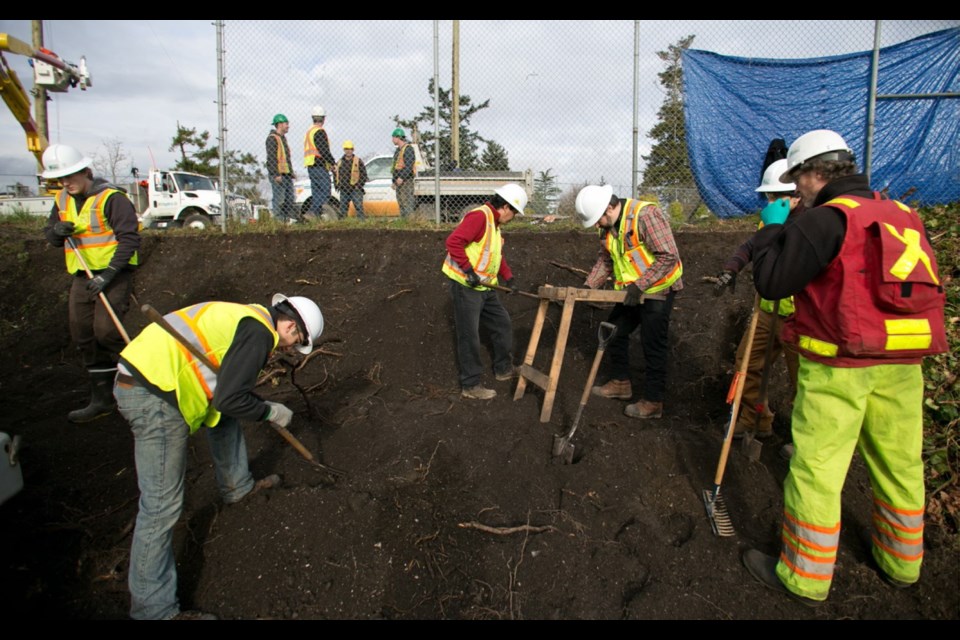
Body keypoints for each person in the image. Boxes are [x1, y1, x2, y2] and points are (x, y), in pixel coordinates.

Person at [742, 129, 947, 605]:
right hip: (902, 365)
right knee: (900, 463)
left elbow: (772, 283)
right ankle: (902, 563)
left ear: (814, 173)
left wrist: (773, 228)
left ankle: (804, 576)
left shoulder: (825, 221)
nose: (797, 192)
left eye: (797, 181)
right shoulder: (903, 216)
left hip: (841, 365)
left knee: (817, 469)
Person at [114, 293, 325, 620]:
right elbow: (230, 399)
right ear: (290, 325)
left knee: (223, 417)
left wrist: (244, 399)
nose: (289, 348)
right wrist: (269, 412)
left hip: (150, 378)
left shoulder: (248, 318)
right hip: (153, 393)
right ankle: (153, 610)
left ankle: (237, 486)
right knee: (160, 505)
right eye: (296, 340)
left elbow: (225, 395)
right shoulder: (258, 333)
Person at [41, 143, 141, 424]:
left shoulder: (112, 198)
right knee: (83, 334)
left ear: (85, 172)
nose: (65, 183)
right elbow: (50, 233)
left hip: (113, 273)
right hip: (81, 277)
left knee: (107, 332)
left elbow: (130, 238)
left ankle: (138, 383)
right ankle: (102, 399)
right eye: (61, 179)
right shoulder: (61, 200)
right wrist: (56, 233)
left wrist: (108, 274)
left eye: (70, 176)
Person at [713, 158, 805, 440]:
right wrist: (731, 269)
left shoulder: (811, 223)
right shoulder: (771, 220)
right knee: (747, 365)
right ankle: (756, 419)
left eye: (777, 196)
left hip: (800, 316)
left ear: (796, 195)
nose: (771, 201)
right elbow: (751, 246)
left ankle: (804, 440)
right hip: (766, 310)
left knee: (802, 380)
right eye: (769, 196)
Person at [575, 185, 684, 420]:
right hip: (633, 291)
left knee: (652, 342)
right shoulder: (608, 228)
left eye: (597, 219)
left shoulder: (646, 216)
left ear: (610, 208)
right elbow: (606, 259)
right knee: (614, 331)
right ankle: (620, 383)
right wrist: (588, 287)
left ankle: (654, 401)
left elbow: (668, 254)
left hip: (659, 289)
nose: (596, 225)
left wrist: (640, 285)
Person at [441, 184, 528, 400]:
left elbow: (496, 256)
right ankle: (470, 385)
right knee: (469, 334)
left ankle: (503, 369)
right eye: (515, 213)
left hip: (485, 287)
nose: (514, 217)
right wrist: (468, 271)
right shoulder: (480, 217)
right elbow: (453, 242)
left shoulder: (494, 224)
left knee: (502, 322)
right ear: (506, 207)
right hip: (466, 286)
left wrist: (509, 279)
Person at [302, 106, 336, 220]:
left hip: (311, 165)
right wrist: (333, 163)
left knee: (316, 192)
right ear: (323, 118)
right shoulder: (319, 131)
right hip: (319, 165)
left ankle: (315, 216)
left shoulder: (309, 131)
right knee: (326, 190)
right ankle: (313, 211)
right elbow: (323, 150)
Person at [266, 113, 296, 223]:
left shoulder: (283, 139)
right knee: (279, 199)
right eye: (286, 123)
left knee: (289, 199)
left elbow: (286, 157)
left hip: (286, 174)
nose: (288, 126)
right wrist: (275, 174)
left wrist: (291, 172)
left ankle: (286, 220)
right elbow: (271, 158)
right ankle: (279, 221)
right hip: (278, 175)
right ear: (279, 124)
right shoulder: (272, 139)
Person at [334, 140, 368, 221]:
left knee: (359, 207)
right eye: (346, 149)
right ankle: (343, 224)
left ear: (353, 150)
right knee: (343, 209)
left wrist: (358, 186)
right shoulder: (339, 162)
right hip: (344, 189)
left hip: (355, 189)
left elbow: (364, 175)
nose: (348, 150)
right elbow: (335, 175)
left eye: (350, 149)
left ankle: (362, 223)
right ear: (344, 150)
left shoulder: (358, 161)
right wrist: (337, 185)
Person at [391, 127, 417, 218]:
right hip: (399, 181)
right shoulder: (398, 150)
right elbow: (396, 167)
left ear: (398, 137)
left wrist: (401, 177)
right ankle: (404, 222)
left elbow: (409, 165)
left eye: (393, 137)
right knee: (401, 203)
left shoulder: (408, 149)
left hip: (406, 181)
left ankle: (410, 223)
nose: (392, 139)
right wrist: (394, 181)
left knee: (407, 203)